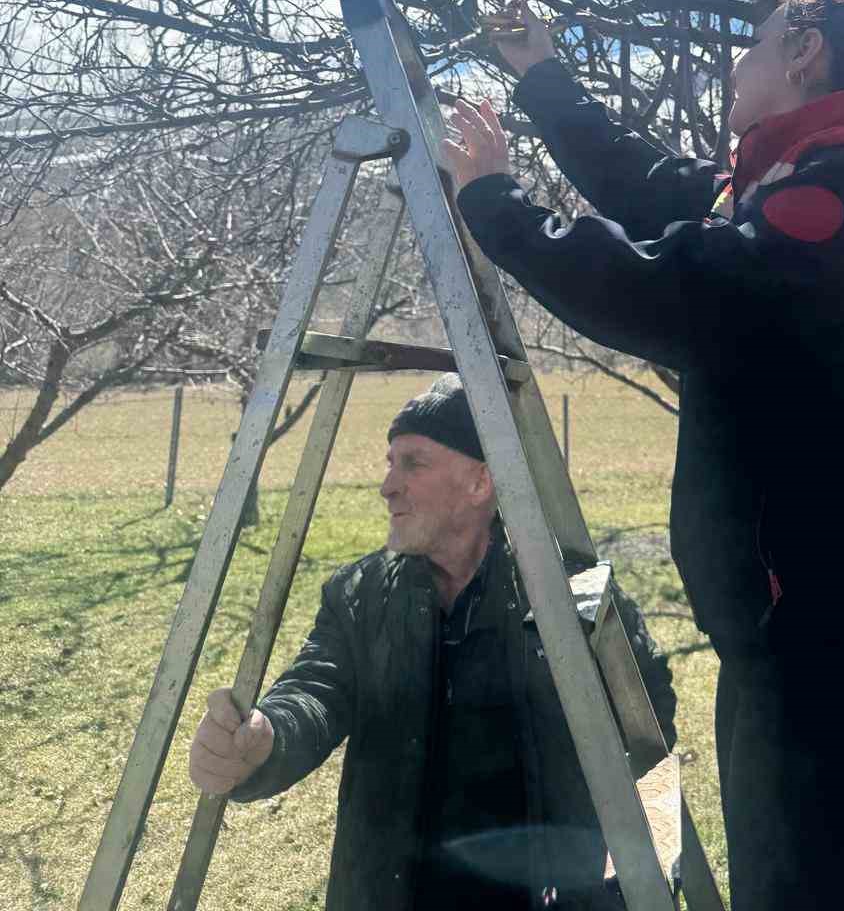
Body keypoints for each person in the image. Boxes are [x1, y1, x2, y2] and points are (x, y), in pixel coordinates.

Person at [443, 0, 844, 911]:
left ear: (803, 51)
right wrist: (539, 73)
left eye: (756, 42)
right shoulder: (796, 178)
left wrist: (495, 203)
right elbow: (644, 186)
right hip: (805, 652)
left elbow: (669, 292)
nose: (737, 64)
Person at [188, 375, 676, 911]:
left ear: (480, 482)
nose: (387, 486)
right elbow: (314, 691)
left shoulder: (568, 594)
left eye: (413, 464)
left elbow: (649, 730)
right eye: (389, 463)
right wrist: (266, 736)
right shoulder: (361, 594)